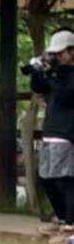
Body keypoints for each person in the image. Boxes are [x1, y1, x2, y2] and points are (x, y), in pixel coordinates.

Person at [31, 30, 74, 229]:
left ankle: (69, 220)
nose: (57, 57)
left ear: (71, 51)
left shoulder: (69, 75)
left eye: (60, 53)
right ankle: (62, 216)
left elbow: (67, 96)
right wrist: (39, 72)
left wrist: (56, 75)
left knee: (64, 178)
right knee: (46, 177)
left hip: (66, 132)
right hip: (50, 131)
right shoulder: (57, 75)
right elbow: (39, 88)